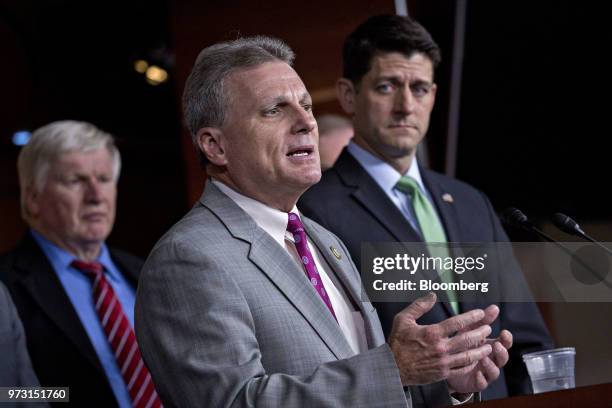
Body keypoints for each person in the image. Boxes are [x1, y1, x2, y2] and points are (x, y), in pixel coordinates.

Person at [135, 35, 512, 407]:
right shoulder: (188, 258)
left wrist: (441, 382)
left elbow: (365, 382)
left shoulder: (322, 238)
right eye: (274, 110)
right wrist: (395, 368)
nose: (305, 123)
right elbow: (234, 402)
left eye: (306, 105)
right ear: (215, 146)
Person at [299, 14, 553, 401]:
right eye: (387, 87)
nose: (405, 106)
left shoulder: (471, 202)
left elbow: (529, 343)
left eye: (419, 89)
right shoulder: (315, 211)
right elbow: (335, 363)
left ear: (433, 96)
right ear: (349, 95)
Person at [0, 121, 161, 407]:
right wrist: (65, 397)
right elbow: (7, 393)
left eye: (103, 178)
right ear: (33, 198)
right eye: (75, 181)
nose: (96, 196)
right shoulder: (6, 286)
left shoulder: (146, 272)